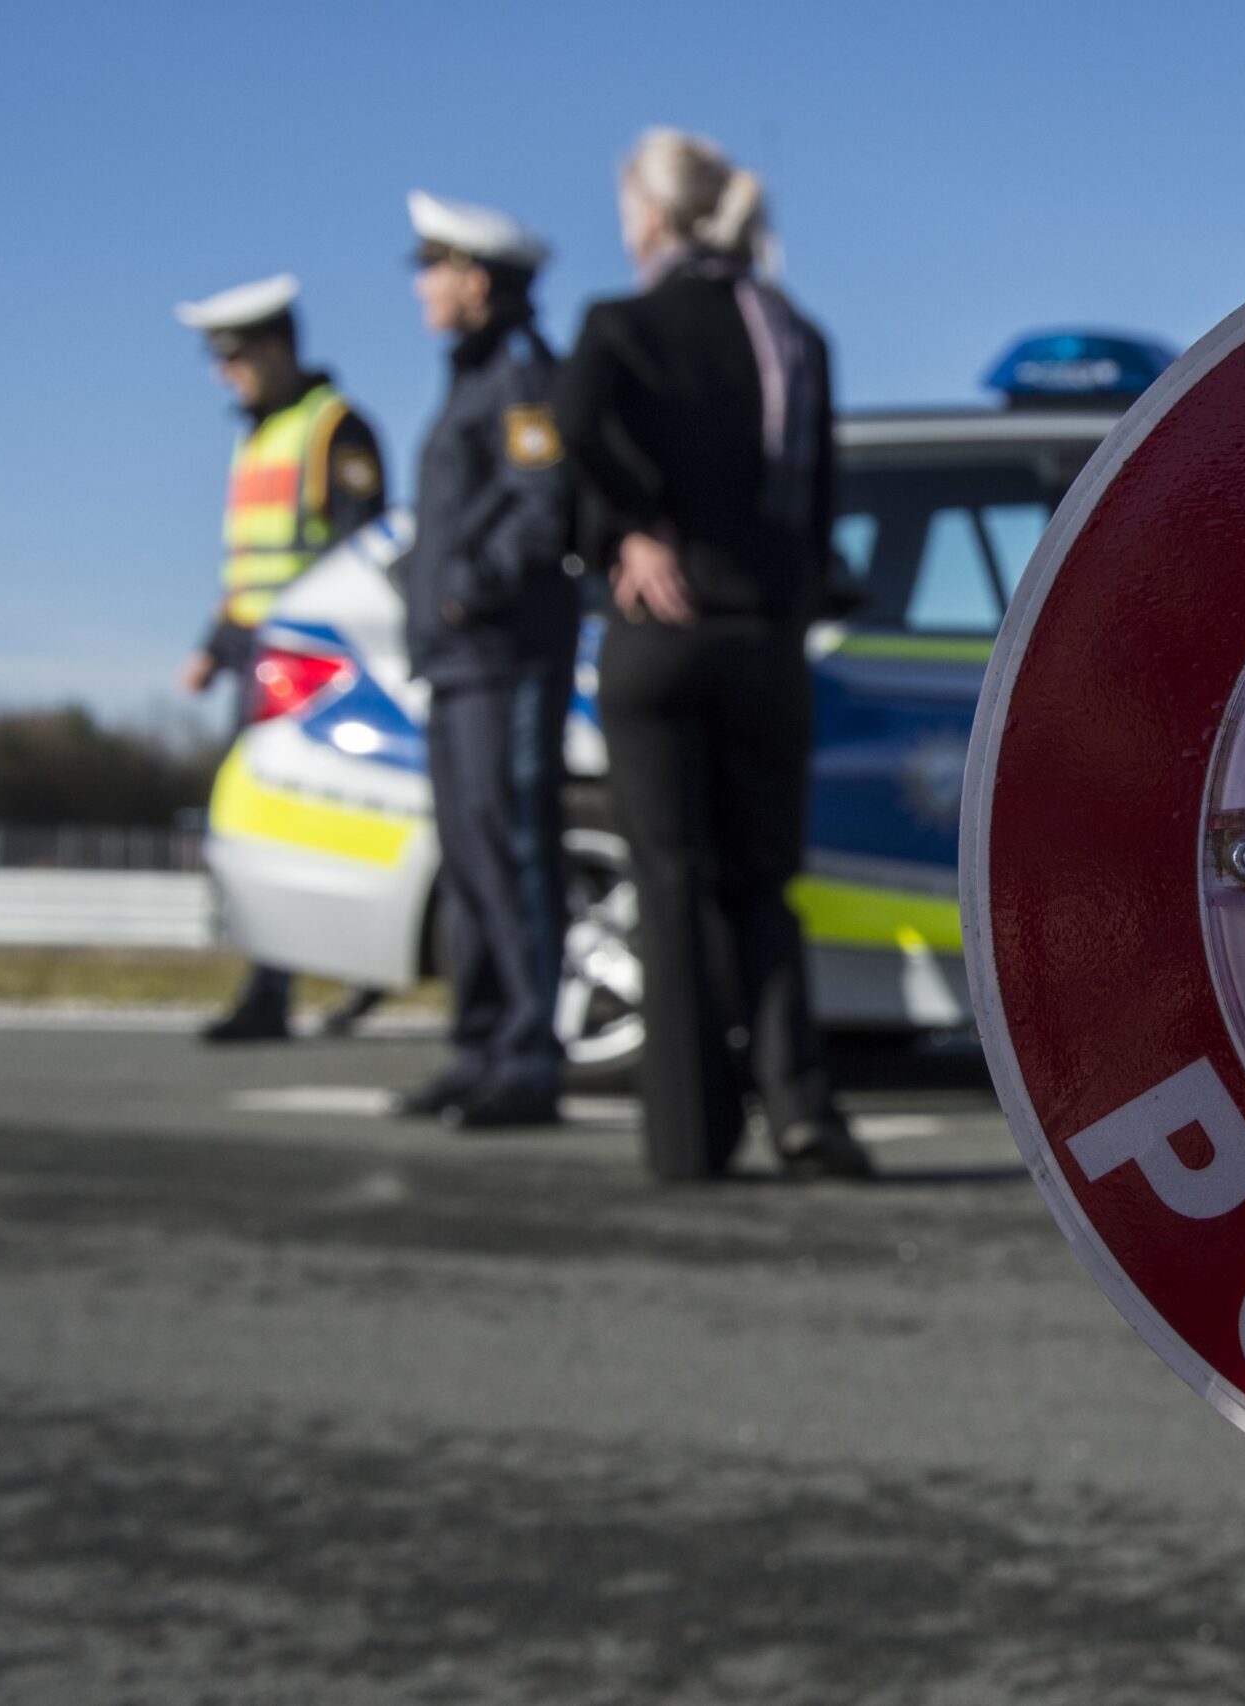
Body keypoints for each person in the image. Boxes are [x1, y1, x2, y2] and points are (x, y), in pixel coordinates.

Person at [557, 128, 869, 1182]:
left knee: (673, 880)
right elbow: (818, 501)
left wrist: (630, 526)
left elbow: (572, 424)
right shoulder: (794, 337)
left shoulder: (623, 324)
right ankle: (802, 1110)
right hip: (765, 640)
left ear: (651, 213)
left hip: (661, 637)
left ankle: (689, 1137)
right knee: (763, 884)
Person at [390, 192, 579, 1128]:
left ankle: (531, 1057)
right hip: (457, 659)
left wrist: (467, 587)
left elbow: (542, 508)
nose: (422, 286)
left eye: (433, 267)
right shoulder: (470, 377)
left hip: (503, 655)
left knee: (513, 852)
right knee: (469, 861)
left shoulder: (520, 374)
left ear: (477, 277)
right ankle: (480, 1044)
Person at [174, 276, 387, 1043]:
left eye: (232, 356)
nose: (222, 372)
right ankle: (280, 985)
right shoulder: (257, 434)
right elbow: (248, 565)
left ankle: (321, 977)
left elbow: (360, 550)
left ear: (275, 348)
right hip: (254, 660)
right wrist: (210, 649)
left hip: (313, 666)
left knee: (308, 823)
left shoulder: (336, 429)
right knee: (258, 825)